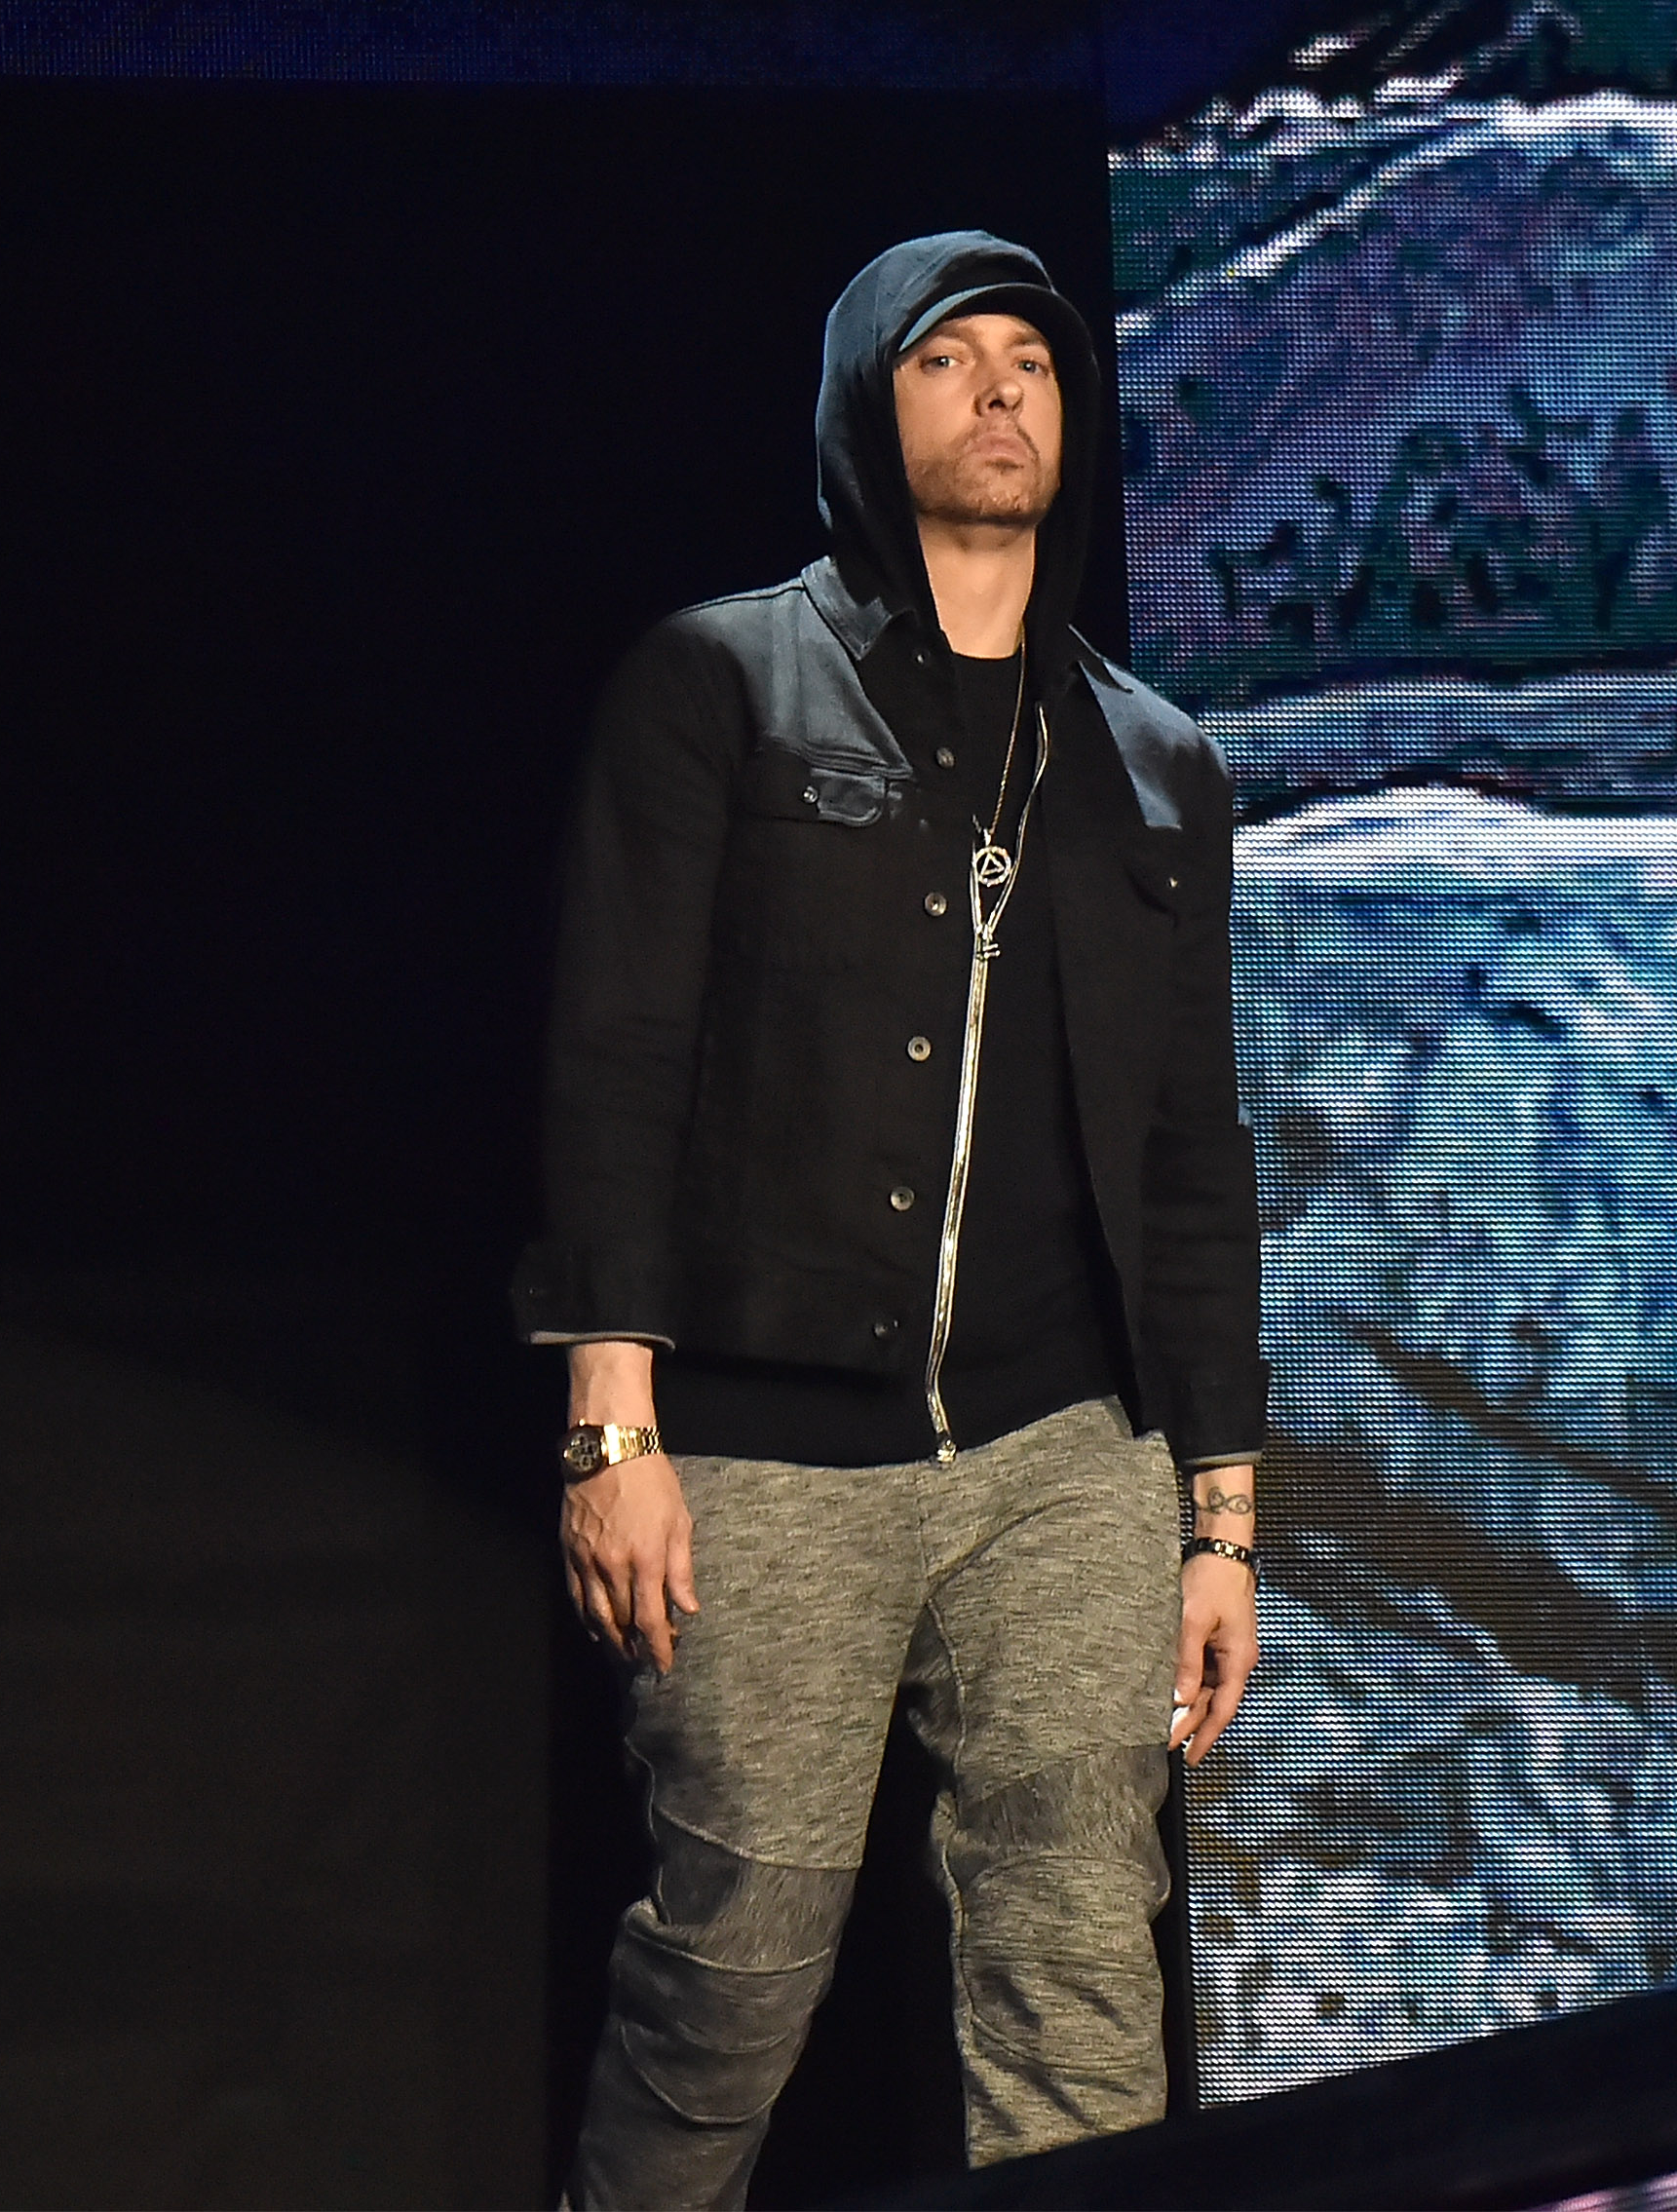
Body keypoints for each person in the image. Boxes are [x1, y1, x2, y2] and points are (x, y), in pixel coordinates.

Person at [512, 230, 1265, 2207]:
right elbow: (618, 1056)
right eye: (953, 358)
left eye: (1035, 357)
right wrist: (614, 1422)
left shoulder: (1162, 766)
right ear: (868, 409)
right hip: (763, 1445)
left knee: (1085, 1966)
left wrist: (1218, 1517)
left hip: (1064, 1448)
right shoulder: (719, 686)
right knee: (734, 1963)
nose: (1006, 385)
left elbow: (1193, 1156)